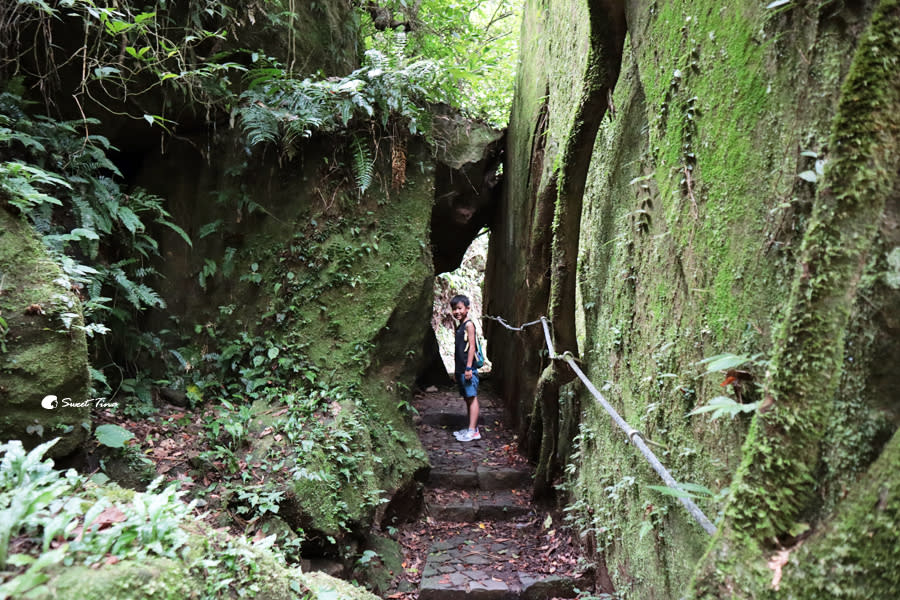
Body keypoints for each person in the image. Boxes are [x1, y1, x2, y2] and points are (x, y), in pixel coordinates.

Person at [450, 294, 481, 442]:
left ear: (467, 308)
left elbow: (472, 348)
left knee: (472, 398)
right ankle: (471, 427)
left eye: (460, 308)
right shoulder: (460, 325)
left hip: (468, 369)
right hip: (461, 369)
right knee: (467, 398)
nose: (457, 312)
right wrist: (457, 371)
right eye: (454, 309)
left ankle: (473, 431)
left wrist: (469, 368)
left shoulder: (469, 325)